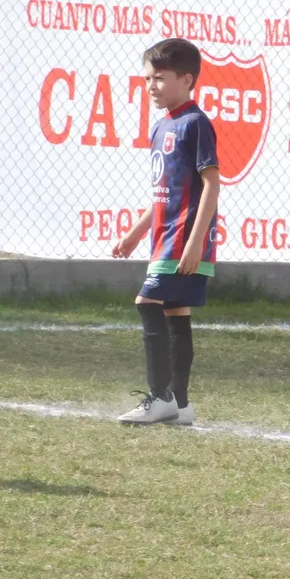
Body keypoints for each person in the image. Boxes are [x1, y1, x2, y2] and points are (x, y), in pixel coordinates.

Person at [112, 38, 220, 426]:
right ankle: (182, 404)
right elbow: (163, 193)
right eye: (146, 79)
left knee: (147, 303)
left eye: (159, 78)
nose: (151, 86)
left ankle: (160, 398)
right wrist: (137, 232)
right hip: (164, 237)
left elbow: (211, 184)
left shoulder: (195, 123)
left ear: (186, 79)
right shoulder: (161, 127)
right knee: (176, 312)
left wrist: (194, 242)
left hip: (184, 240)